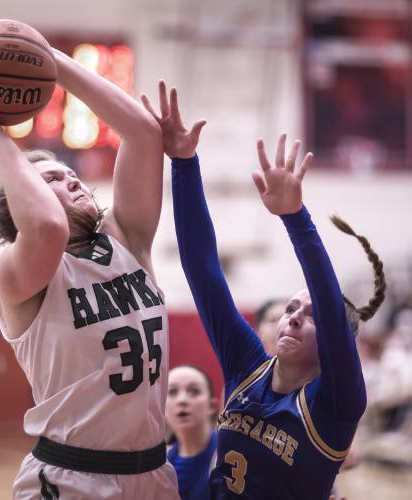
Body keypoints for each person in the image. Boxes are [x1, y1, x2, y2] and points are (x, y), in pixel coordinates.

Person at [0, 48, 180, 500]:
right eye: (51, 181)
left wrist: (50, 60)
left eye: (70, 174)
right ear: (19, 205)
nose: (72, 181)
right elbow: (47, 226)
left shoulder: (128, 240)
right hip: (72, 480)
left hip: (155, 473)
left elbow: (144, 133)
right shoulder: (20, 273)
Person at [141, 82, 386, 499]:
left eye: (310, 316)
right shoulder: (247, 367)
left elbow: (328, 299)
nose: (293, 316)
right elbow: (204, 274)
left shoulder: (336, 400)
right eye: (291, 307)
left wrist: (296, 218)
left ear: (333, 339)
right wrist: (183, 162)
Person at [166, 365, 218, 500]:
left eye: (194, 391)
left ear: (211, 406)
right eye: (172, 392)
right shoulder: (160, 466)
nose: (182, 400)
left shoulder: (231, 452)